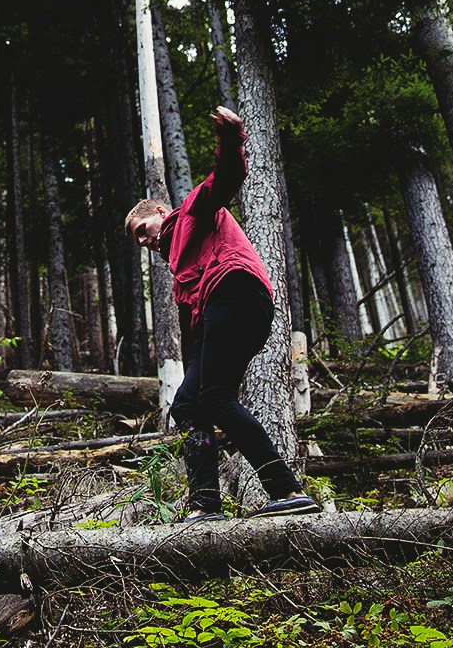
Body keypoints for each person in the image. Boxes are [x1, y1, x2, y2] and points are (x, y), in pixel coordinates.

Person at [125, 105, 319, 521]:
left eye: (143, 230)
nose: (143, 241)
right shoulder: (180, 269)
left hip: (237, 293)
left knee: (215, 398)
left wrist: (231, 139)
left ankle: (286, 489)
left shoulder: (190, 216)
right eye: (137, 240)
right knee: (187, 406)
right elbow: (196, 337)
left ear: (160, 214)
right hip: (224, 312)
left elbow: (224, 181)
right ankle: (206, 504)